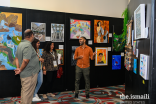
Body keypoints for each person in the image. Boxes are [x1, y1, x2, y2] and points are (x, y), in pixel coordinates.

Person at [14, 29, 40, 104]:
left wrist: (19, 68)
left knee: (25, 92)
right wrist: (20, 69)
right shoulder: (28, 45)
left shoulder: (20, 44)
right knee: (27, 94)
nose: (33, 37)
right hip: (30, 74)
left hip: (26, 74)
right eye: (33, 35)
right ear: (31, 35)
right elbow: (25, 60)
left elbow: (16, 58)